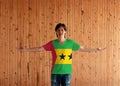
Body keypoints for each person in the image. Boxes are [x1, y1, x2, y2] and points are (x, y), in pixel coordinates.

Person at [19, 23, 106, 86]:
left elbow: (83, 49)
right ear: (56, 32)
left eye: (62, 30)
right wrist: (26, 49)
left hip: (67, 73)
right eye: (58, 30)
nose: (60, 31)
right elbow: (39, 48)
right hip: (55, 72)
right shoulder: (52, 43)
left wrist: (96, 49)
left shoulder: (71, 43)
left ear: (65, 32)